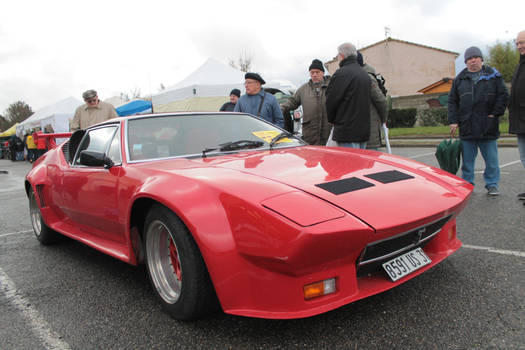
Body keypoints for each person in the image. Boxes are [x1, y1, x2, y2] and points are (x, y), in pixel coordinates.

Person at [448, 46, 509, 196]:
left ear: (481, 59)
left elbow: (503, 96)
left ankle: (492, 184)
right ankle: (468, 184)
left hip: (487, 126)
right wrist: (454, 121)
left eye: (475, 57)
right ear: (466, 62)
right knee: (467, 162)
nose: (472, 60)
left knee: (491, 160)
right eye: (469, 59)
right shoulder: (459, 79)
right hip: (467, 126)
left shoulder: (494, 76)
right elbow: (452, 101)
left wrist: (494, 114)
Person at [326, 42, 371, 148]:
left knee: (349, 163)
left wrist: (332, 120)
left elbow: (331, 101)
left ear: (341, 56)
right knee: (360, 163)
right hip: (363, 131)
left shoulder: (341, 74)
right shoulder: (365, 74)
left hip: (346, 131)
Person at [280, 59, 331, 145]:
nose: (314, 75)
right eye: (312, 72)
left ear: (322, 73)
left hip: (328, 133)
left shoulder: (331, 86)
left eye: (317, 72)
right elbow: (292, 102)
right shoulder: (303, 89)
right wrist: (279, 108)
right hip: (310, 134)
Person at [357, 52, 388, 150]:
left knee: (368, 162)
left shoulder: (367, 77)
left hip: (368, 130)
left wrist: (383, 119)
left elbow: (381, 101)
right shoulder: (363, 75)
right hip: (364, 130)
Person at [509, 30, 525, 203]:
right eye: (518, 43)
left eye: (523, 42)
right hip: (520, 120)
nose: (520, 46)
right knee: (524, 157)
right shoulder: (521, 63)